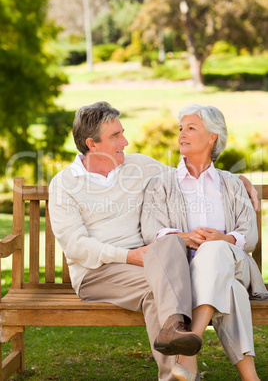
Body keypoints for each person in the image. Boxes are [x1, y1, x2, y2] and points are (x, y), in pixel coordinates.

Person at [49, 101, 258, 381]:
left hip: (149, 262)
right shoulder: (64, 184)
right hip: (97, 272)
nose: (125, 141)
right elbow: (76, 246)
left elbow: (189, 176)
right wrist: (129, 256)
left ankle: (177, 368)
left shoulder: (139, 166)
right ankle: (180, 367)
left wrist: (238, 181)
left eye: (122, 132)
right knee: (167, 285)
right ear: (92, 144)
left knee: (169, 258)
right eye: (115, 136)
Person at [141, 104, 268, 381]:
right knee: (231, 289)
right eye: (180, 129)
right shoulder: (161, 183)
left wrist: (224, 239)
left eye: (191, 128)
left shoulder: (232, 184)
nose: (182, 134)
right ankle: (251, 378)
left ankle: (189, 348)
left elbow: (250, 235)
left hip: (233, 263)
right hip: (187, 275)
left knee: (215, 250)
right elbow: (152, 231)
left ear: (213, 136)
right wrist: (184, 238)